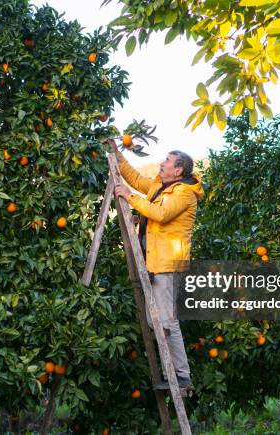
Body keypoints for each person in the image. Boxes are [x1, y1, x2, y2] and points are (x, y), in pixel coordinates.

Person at [110, 140, 203, 389]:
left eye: (167, 162)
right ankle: (171, 373)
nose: (162, 164)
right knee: (155, 321)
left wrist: (130, 198)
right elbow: (136, 179)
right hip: (153, 261)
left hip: (167, 263)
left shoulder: (183, 193)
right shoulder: (162, 186)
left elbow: (160, 215)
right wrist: (117, 155)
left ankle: (181, 376)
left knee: (167, 321)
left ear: (179, 170)